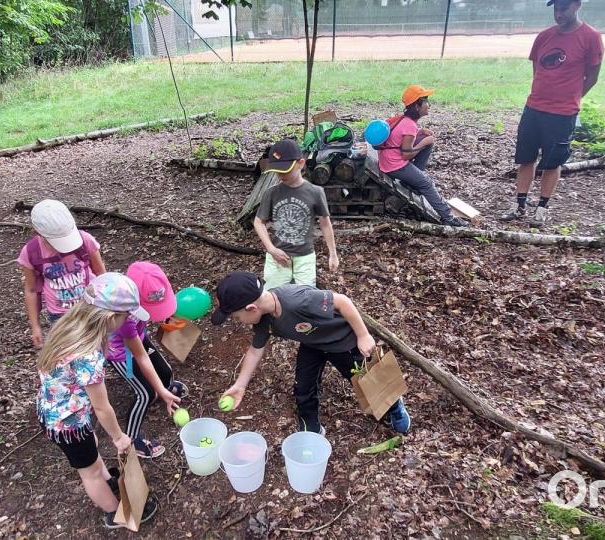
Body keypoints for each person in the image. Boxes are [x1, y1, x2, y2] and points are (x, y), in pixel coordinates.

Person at [211, 272, 411, 436]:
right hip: (313, 344)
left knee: (369, 379)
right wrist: (240, 385)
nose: (238, 321)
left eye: (237, 317)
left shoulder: (298, 300)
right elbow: (255, 351)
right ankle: (311, 428)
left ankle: (395, 407)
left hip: (342, 341)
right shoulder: (263, 320)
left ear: (251, 308)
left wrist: (363, 335)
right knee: (303, 387)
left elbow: (342, 302)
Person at [36, 272, 157, 529]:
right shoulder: (87, 355)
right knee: (88, 472)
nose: (128, 321)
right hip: (67, 423)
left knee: (90, 449)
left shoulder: (70, 324)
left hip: (55, 407)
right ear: (111, 318)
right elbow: (102, 407)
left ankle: (106, 477)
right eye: (126, 316)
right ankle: (115, 513)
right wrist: (118, 437)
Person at [500, 0, 604, 226]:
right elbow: (537, 69)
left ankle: (542, 208)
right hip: (534, 107)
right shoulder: (544, 37)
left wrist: (571, 97)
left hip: (563, 113)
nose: (559, 13)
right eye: (556, 8)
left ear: (577, 6)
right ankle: (519, 204)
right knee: (526, 158)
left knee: (552, 161)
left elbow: (592, 76)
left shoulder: (590, 37)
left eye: (564, 8)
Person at [106, 261, 187, 459]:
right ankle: (133, 439)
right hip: (121, 353)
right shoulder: (125, 319)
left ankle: (166, 390)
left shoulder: (135, 303)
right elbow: (140, 356)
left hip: (139, 339)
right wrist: (159, 390)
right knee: (146, 393)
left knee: (166, 371)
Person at [17, 199, 106, 348]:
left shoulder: (85, 240)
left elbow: (102, 274)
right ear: (37, 232)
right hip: (59, 315)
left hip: (91, 307)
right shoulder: (31, 252)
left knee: (94, 349)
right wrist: (35, 326)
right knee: (68, 352)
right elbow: (31, 290)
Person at [377, 84, 467, 227]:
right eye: (426, 101)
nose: (429, 105)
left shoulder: (403, 119)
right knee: (426, 183)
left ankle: (412, 181)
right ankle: (448, 218)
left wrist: (420, 133)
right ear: (417, 106)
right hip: (394, 165)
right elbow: (406, 155)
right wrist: (423, 141)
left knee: (428, 143)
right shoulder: (409, 125)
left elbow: (400, 138)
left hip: (387, 159)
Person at [254, 139, 338, 290]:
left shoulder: (315, 192)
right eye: (277, 171)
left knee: (305, 298)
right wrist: (271, 249)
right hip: (277, 256)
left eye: (285, 170)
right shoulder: (271, 193)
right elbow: (258, 222)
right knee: (273, 296)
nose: (280, 175)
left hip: (305, 256)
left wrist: (333, 254)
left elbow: (325, 223)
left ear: (300, 163)